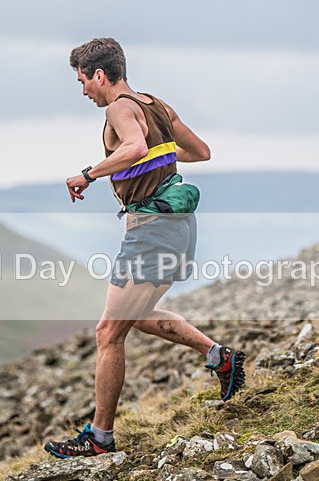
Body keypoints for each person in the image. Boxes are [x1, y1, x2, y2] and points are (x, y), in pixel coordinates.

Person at [44, 38, 245, 458]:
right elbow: (199, 152)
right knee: (132, 318)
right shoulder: (157, 105)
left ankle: (100, 438)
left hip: (151, 229)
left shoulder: (119, 107)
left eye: (82, 81)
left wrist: (89, 173)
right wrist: (157, 157)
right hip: (178, 226)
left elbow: (134, 147)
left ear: (100, 75)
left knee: (107, 332)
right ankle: (218, 355)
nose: (83, 91)